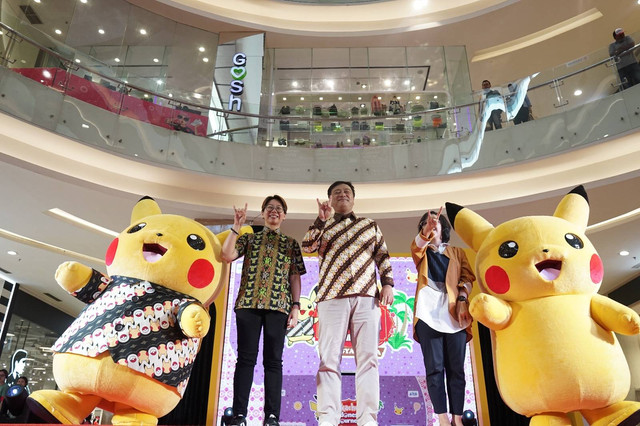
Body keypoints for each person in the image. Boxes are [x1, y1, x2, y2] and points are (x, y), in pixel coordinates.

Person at [302, 181, 394, 426]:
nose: (342, 195)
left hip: (367, 297)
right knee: (329, 360)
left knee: (368, 359)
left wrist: (387, 283)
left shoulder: (369, 224)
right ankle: (328, 418)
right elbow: (307, 246)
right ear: (330, 200)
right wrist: (320, 220)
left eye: (346, 192)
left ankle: (368, 420)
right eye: (336, 193)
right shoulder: (324, 226)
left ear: (353, 198)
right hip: (331, 298)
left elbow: (382, 255)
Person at [221, 195, 306, 426]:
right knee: (245, 360)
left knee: (273, 362)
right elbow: (226, 255)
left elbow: (295, 276)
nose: (274, 211)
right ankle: (239, 415)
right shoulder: (249, 238)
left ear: (284, 216)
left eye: (279, 208)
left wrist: (296, 307)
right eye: (270, 208)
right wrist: (236, 226)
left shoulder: (291, 243)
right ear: (263, 212)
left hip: (278, 306)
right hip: (248, 304)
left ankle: (271, 417)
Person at [410, 208, 475, 426]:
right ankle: (442, 418)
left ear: (444, 228)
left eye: (436, 222)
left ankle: (457, 417)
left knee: (456, 368)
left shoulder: (457, 252)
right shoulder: (422, 252)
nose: (431, 225)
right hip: (428, 314)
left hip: (454, 312)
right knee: (434, 368)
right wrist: (424, 233)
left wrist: (464, 298)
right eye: (426, 223)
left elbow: (467, 278)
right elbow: (416, 247)